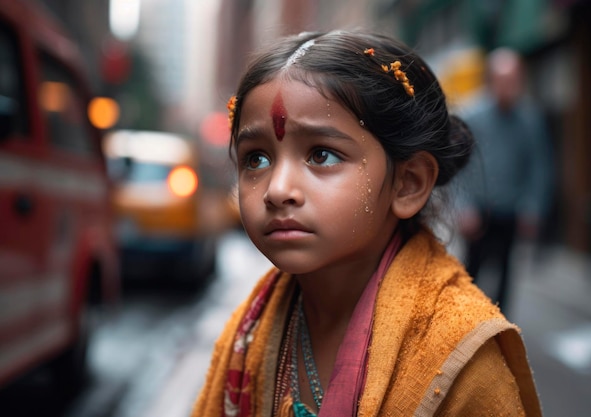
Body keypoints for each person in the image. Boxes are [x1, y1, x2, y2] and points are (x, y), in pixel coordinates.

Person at [192, 30, 542, 417]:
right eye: (255, 159)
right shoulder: (248, 332)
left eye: (321, 155)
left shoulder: (464, 361)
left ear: (408, 184)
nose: (277, 190)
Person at [456, 48, 553, 315]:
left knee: (506, 277)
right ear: (491, 80)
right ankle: (465, 330)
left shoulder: (530, 119)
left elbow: (539, 166)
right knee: (471, 276)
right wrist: (463, 206)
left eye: (513, 80)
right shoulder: (472, 116)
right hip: (478, 212)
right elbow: (459, 165)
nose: (507, 87)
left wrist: (533, 207)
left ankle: (500, 336)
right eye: (502, 80)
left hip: (511, 212)